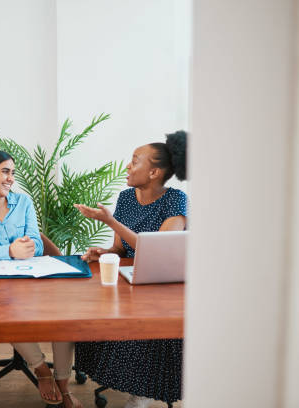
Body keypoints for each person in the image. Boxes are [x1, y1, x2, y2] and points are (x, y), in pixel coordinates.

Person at [0, 149, 83, 408]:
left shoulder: (22, 202)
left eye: (12, 173)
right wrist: (8, 251)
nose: (10, 178)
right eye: (4, 171)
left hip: (28, 278)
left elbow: (35, 238)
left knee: (63, 316)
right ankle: (41, 369)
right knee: (5, 311)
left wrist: (29, 245)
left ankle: (63, 383)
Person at [73, 131, 188, 408]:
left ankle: (144, 391)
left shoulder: (176, 200)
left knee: (144, 322)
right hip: (132, 277)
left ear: (154, 172)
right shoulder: (126, 198)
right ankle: (123, 377)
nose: (127, 166)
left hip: (164, 284)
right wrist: (104, 252)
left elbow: (157, 251)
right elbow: (122, 249)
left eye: (135, 161)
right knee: (95, 313)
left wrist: (111, 222)